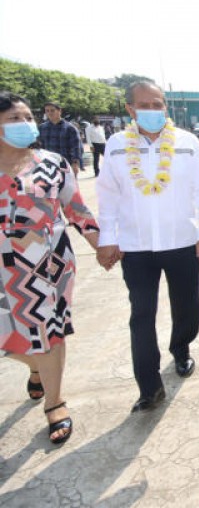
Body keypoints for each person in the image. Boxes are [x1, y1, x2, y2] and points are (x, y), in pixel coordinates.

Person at [96, 81, 199, 413]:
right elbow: (107, 197)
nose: (154, 111)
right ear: (131, 110)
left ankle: (181, 348)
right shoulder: (117, 146)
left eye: (159, 104)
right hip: (135, 247)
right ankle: (148, 387)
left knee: (187, 306)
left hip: (182, 242)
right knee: (141, 315)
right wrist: (107, 239)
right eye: (145, 105)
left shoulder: (187, 143)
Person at [0, 91, 100, 444]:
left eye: (27, 116)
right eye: (14, 118)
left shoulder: (52, 162)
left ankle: (55, 403)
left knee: (49, 332)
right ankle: (36, 369)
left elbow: (76, 208)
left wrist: (100, 244)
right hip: (2, 266)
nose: (25, 124)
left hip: (48, 263)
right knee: (11, 341)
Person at [39, 102, 83, 175]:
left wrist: (75, 164)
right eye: (47, 111)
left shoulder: (70, 128)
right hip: (48, 166)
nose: (50, 113)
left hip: (65, 166)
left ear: (60, 111)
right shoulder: (42, 128)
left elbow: (76, 148)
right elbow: (40, 147)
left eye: (52, 110)